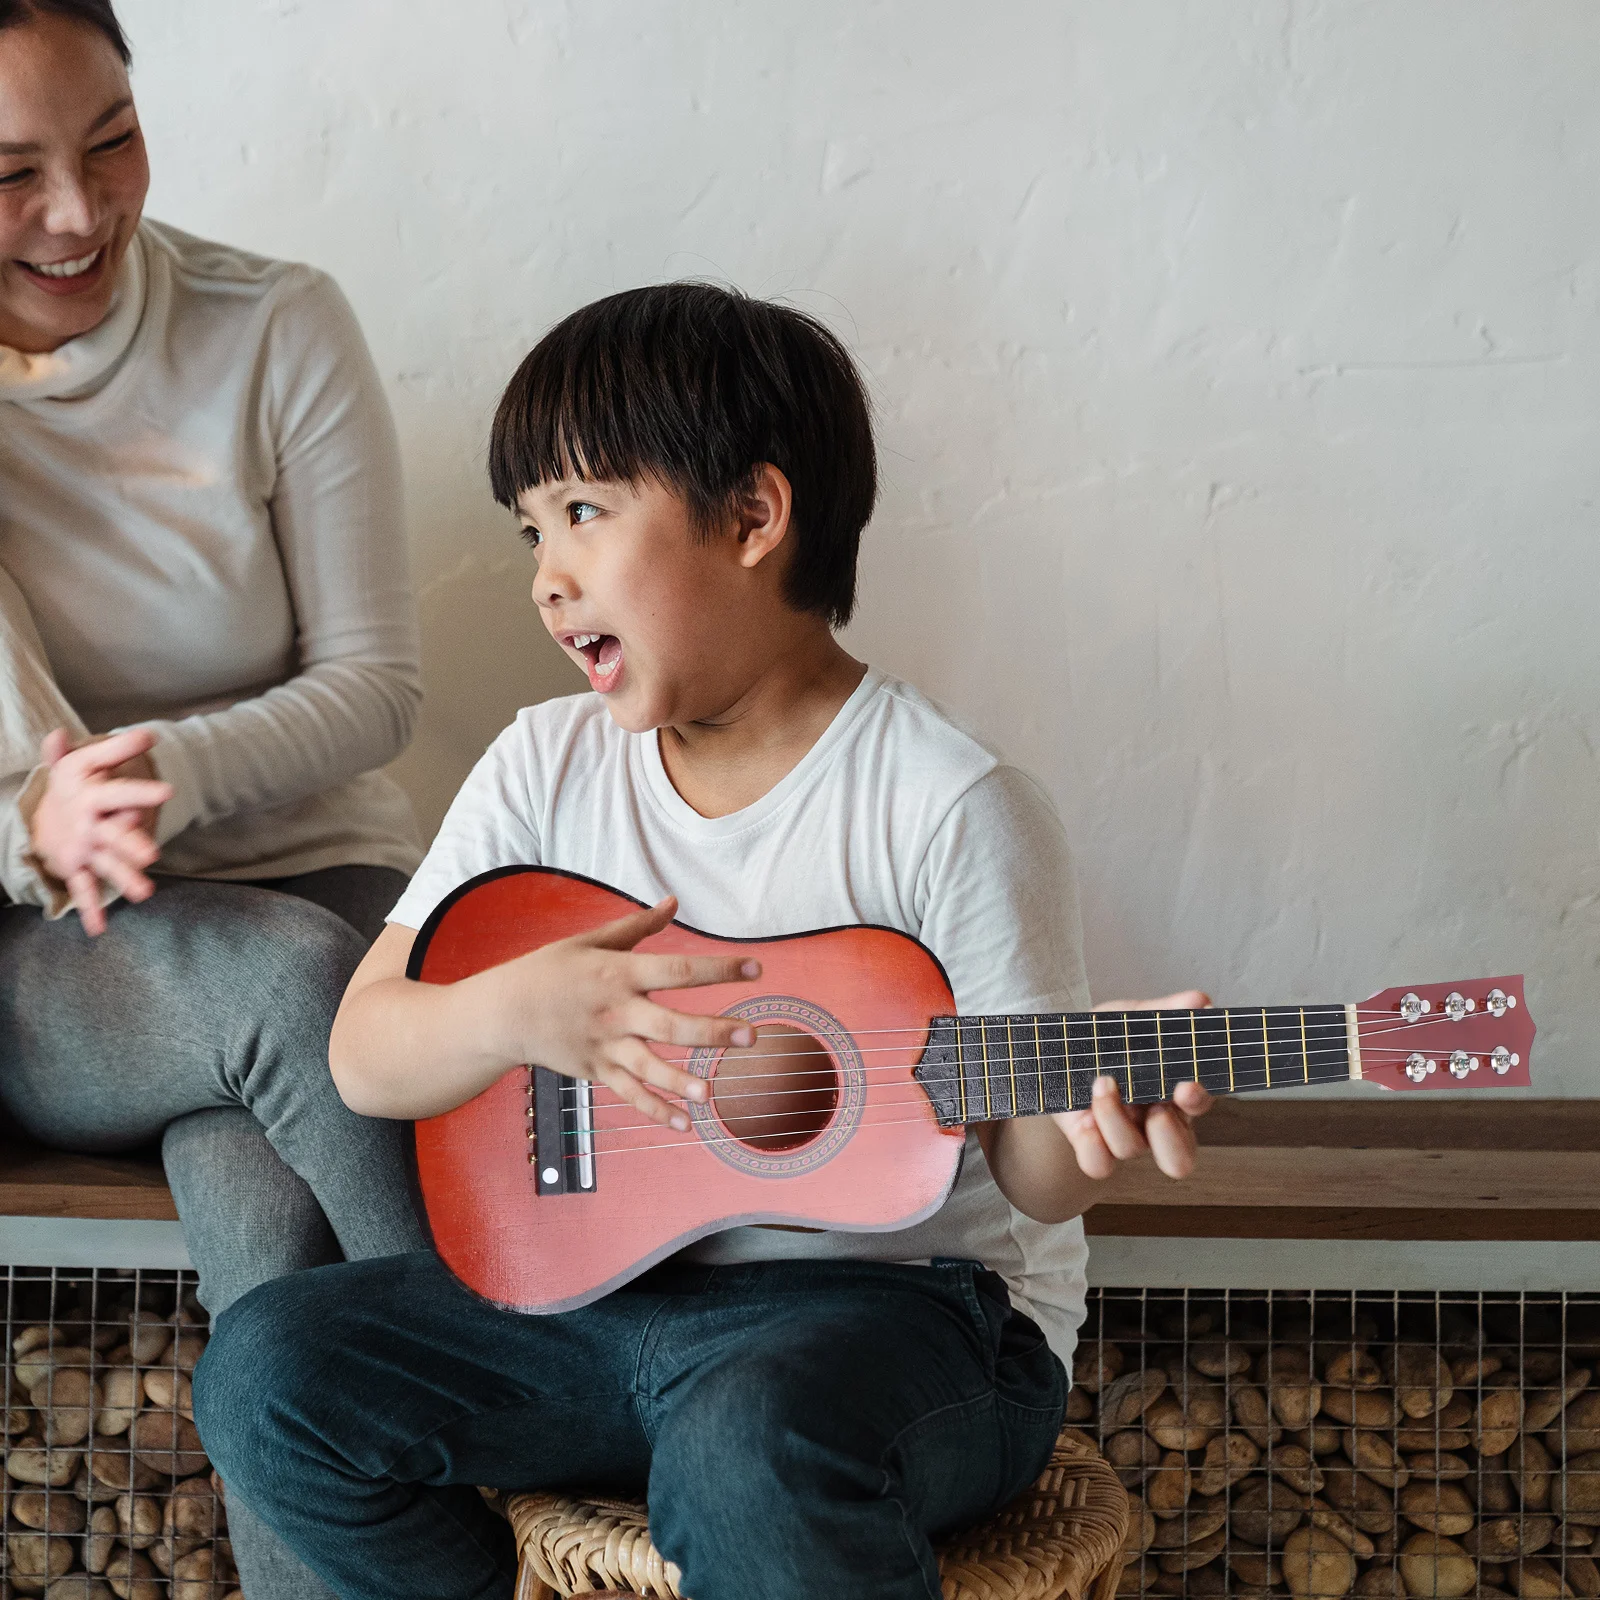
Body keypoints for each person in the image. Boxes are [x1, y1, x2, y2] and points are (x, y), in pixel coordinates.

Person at [193, 282, 1214, 1600]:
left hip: (907, 1327)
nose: (548, 577)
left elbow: (1031, 1176)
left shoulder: (947, 802)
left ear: (753, 515)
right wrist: (517, 1016)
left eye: (582, 513)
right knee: (273, 1369)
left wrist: (1089, 1137)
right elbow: (363, 1058)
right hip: (604, 1310)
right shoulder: (541, 768)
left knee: (747, 1442)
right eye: (529, 531)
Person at [0, 4, 427, 1593]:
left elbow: (377, 686)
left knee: (262, 1193)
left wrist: (160, 775)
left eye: (110, 137)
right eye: (9, 171)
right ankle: (538, 1424)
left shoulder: (273, 323)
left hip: (324, 875)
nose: (75, 209)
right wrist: (31, 823)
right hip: (61, 948)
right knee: (287, 989)